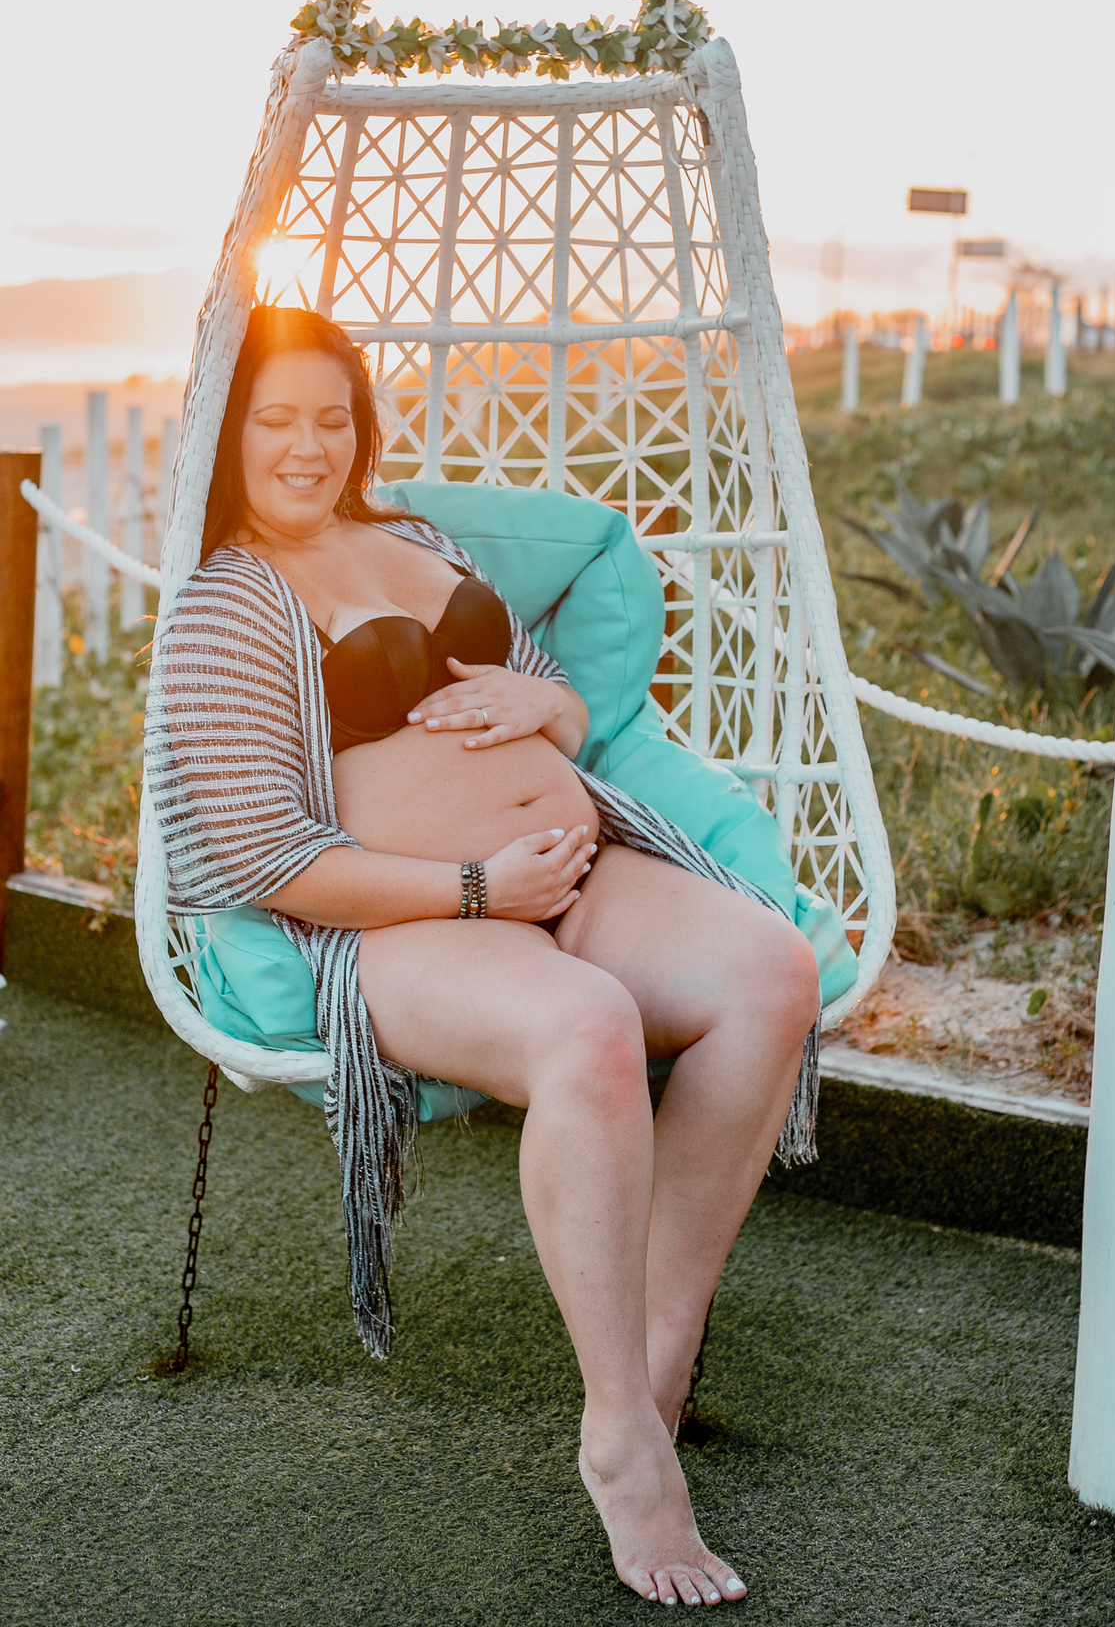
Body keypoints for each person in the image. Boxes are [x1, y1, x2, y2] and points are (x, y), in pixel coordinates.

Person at [146, 306, 820, 1608]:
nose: (306, 444)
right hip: (401, 924)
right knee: (587, 1028)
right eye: (276, 420)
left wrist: (548, 705)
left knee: (769, 972)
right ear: (232, 435)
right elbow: (257, 855)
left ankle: (659, 1352)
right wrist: (473, 885)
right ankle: (623, 1439)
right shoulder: (231, 601)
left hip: (564, 873)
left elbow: (545, 688)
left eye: (329, 417)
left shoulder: (414, 539)